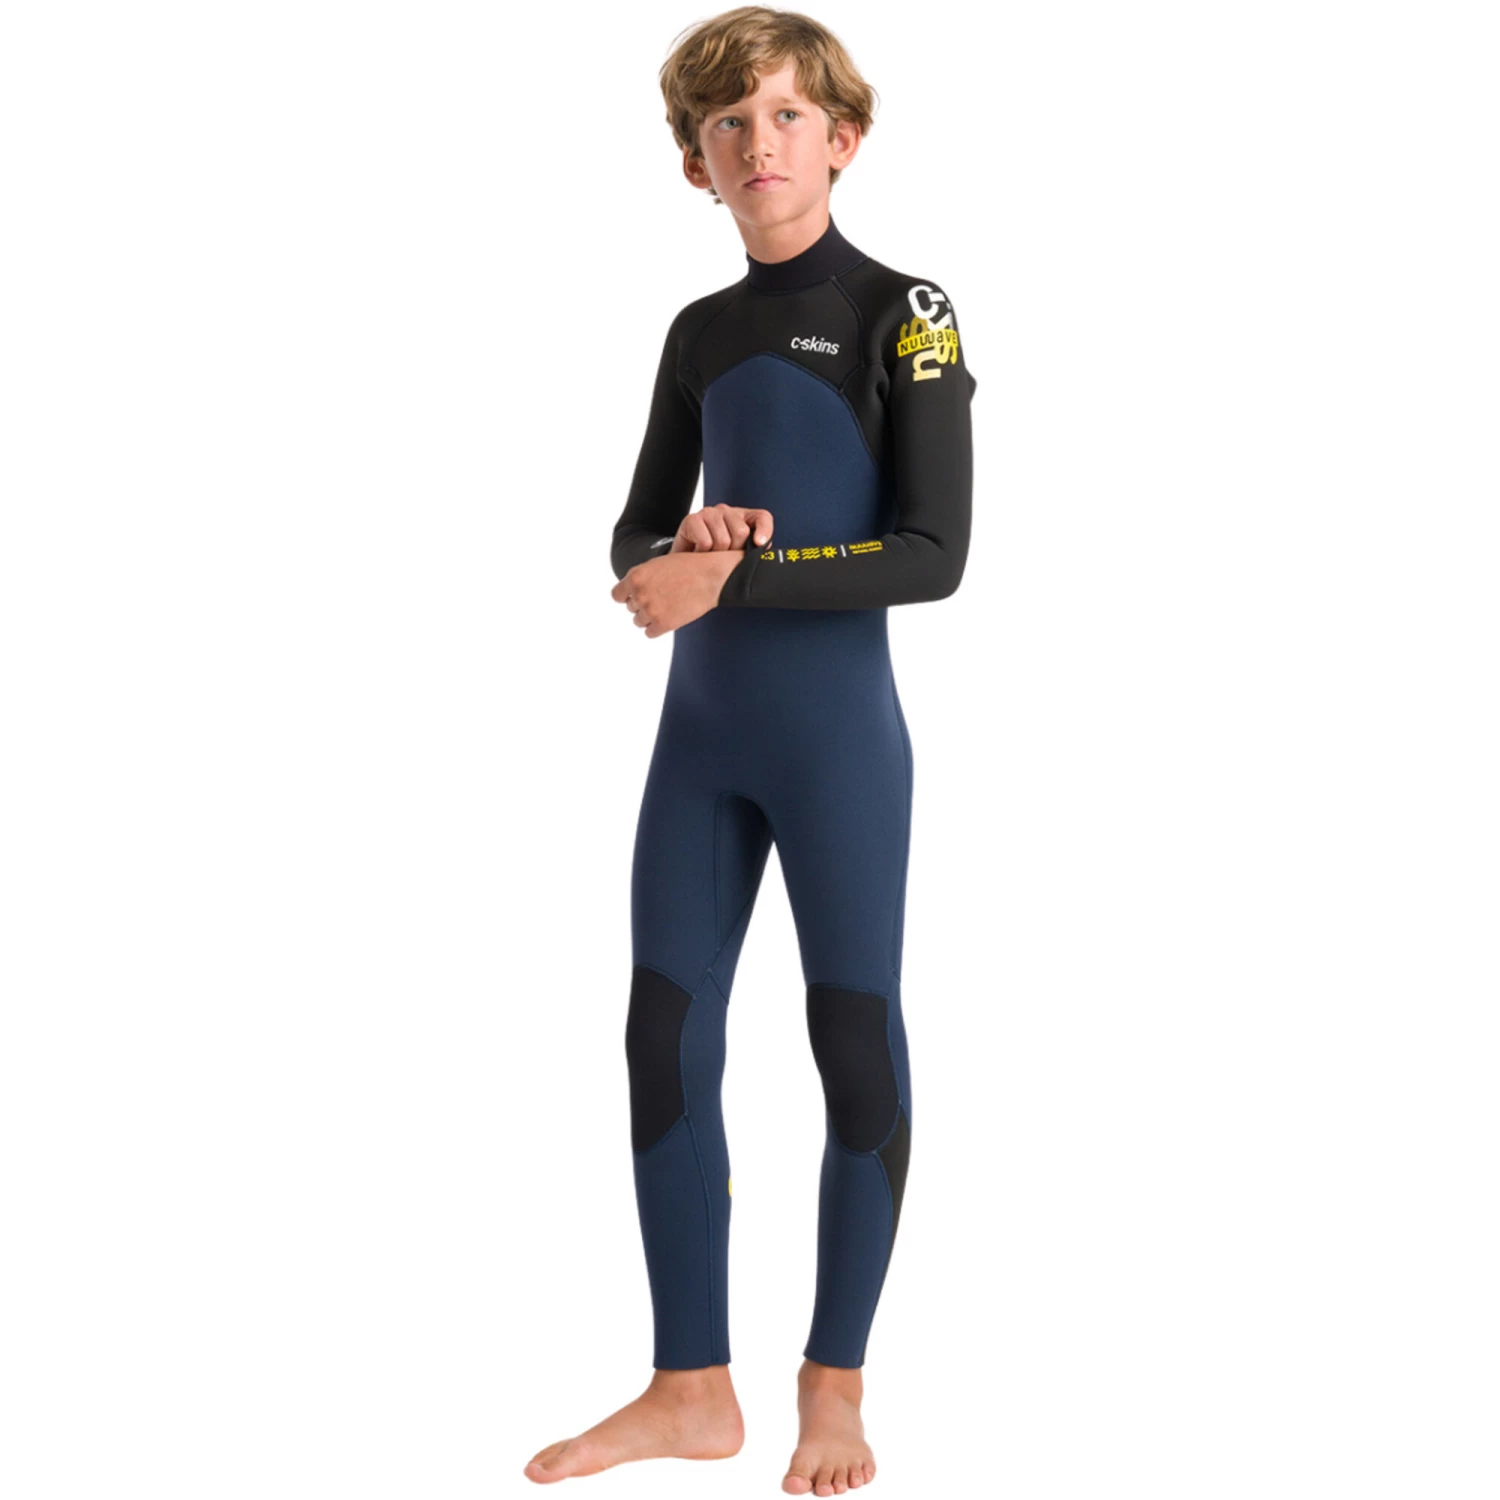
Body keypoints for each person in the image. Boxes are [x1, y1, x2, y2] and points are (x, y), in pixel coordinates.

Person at [525, 7, 975, 1493]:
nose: (758, 143)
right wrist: (682, 548)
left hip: (840, 747)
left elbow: (934, 556)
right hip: (700, 747)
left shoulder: (910, 311)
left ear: (842, 139)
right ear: (694, 165)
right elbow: (634, 532)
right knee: (664, 1036)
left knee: (850, 1038)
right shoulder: (697, 333)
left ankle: (833, 1386)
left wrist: (736, 573)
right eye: (728, 126)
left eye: (785, 116)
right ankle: (690, 1386)